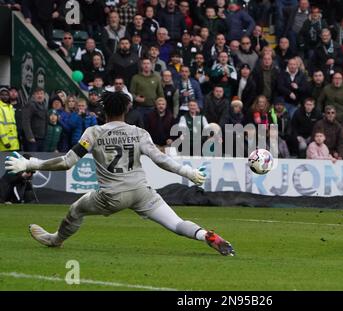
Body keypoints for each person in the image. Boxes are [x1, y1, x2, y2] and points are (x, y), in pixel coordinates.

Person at [5, 92, 235, 256]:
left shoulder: (93, 132)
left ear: (103, 110)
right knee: (177, 224)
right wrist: (189, 172)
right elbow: (161, 160)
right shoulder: (139, 132)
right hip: (141, 192)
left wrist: (31, 163)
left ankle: (55, 240)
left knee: (76, 210)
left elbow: (67, 162)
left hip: (111, 195)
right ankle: (205, 235)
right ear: (127, 109)